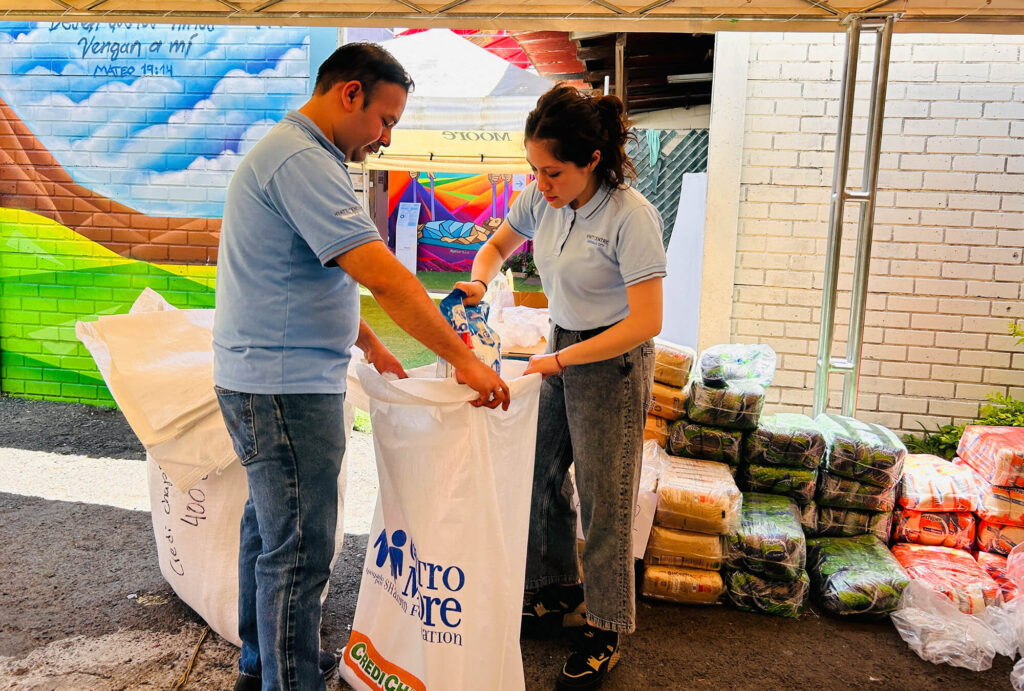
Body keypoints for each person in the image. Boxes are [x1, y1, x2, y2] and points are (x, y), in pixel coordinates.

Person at [212, 42, 510, 691]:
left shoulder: (296, 154)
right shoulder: (302, 161)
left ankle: (264, 663)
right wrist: (463, 359)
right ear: (350, 93)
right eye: (385, 120)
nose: (385, 138)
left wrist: (369, 343)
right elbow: (384, 276)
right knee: (299, 549)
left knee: (270, 531)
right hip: (285, 390)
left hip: (263, 380)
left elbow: (304, 277)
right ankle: (289, 679)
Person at [456, 84, 665, 691]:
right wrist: (478, 282)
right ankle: (556, 591)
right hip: (562, 345)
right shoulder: (542, 199)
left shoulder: (631, 216)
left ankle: (605, 628)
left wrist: (560, 360)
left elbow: (646, 321)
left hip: (612, 360)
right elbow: (496, 246)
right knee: (535, 471)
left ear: (591, 160)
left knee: (606, 500)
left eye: (553, 172)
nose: (541, 184)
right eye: (534, 170)